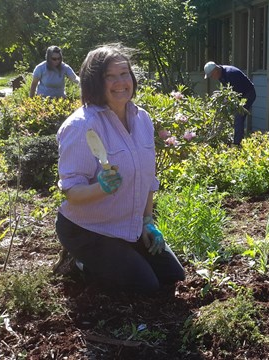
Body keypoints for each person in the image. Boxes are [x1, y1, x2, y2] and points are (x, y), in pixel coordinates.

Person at [53, 43, 185, 294]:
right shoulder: (82, 126)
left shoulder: (142, 119)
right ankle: (79, 262)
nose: (120, 82)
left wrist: (147, 222)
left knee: (173, 276)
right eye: (109, 77)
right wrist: (100, 188)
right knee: (146, 287)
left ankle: (126, 250)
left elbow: (148, 177)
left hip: (128, 224)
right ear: (94, 82)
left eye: (124, 73)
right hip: (88, 229)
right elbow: (71, 191)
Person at [203, 61, 256, 145]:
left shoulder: (231, 74)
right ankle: (235, 136)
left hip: (248, 93)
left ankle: (237, 144)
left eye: (211, 75)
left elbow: (238, 93)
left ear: (215, 71)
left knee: (239, 116)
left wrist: (228, 103)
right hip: (239, 94)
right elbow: (227, 91)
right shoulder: (220, 74)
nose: (212, 77)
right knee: (232, 115)